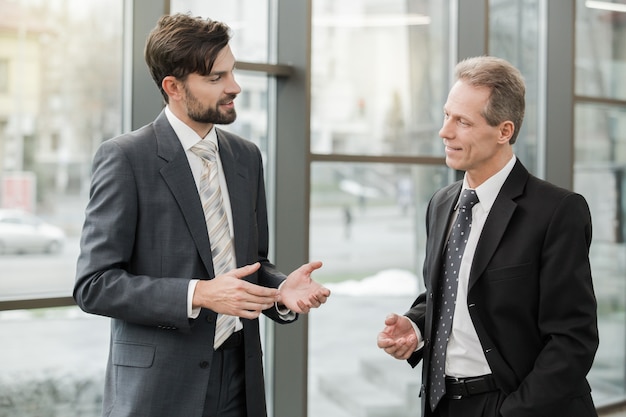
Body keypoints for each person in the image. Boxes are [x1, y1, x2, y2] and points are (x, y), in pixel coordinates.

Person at [74, 13, 330, 417]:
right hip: (159, 390)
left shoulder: (246, 156)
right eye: (215, 78)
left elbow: (251, 265)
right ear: (173, 87)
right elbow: (95, 285)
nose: (234, 87)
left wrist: (280, 291)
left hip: (239, 381)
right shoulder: (125, 158)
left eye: (232, 72)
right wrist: (198, 294)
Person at [377, 56, 598, 417]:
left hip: (516, 405)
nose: (445, 132)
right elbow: (450, 292)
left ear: (504, 131)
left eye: (462, 121)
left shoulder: (557, 211)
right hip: (442, 402)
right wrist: (416, 327)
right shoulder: (441, 202)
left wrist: (511, 412)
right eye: (447, 115)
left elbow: (573, 341)